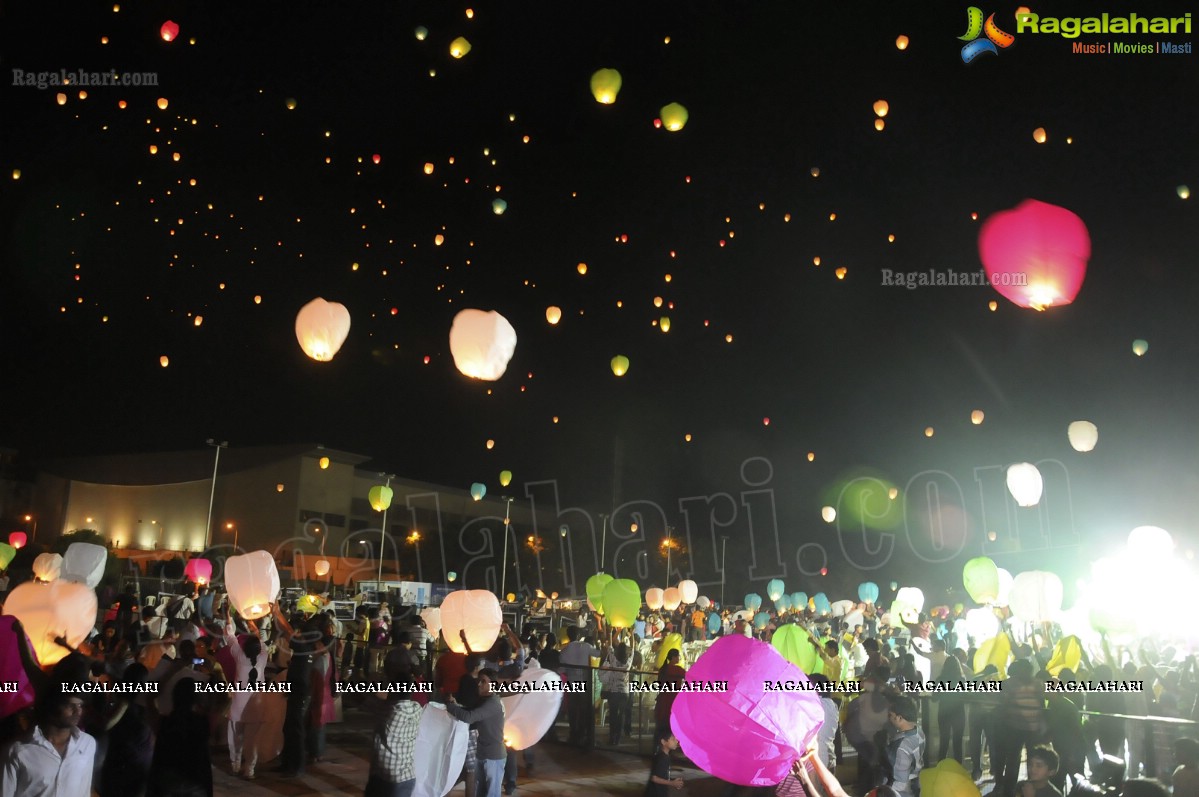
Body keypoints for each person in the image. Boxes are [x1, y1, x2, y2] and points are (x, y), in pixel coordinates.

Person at [1, 687, 95, 797]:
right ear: (53, 706)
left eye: (80, 705)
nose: (78, 711)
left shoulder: (87, 744)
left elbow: (84, 790)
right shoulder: (17, 750)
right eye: (70, 705)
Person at [148, 678, 214, 797]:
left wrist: (172, 671)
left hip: (168, 783)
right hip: (195, 782)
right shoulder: (203, 723)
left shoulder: (165, 722)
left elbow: (150, 698)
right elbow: (224, 701)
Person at [446, 669, 507, 797]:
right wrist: (454, 705)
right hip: (483, 752)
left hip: (493, 756)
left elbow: (469, 717)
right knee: (480, 791)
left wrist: (450, 707)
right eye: (479, 681)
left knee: (492, 793)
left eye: (483, 681)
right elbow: (469, 711)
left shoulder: (492, 703)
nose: (479, 684)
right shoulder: (485, 700)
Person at [223, 607, 267, 779]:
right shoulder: (263, 657)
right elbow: (260, 640)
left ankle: (235, 764)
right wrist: (252, 624)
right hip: (256, 706)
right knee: (253, 740)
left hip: (238, 705)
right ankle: (250, 769)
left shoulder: (240, 657)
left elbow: (230, 636)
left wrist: (227, 616)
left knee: (235, 738)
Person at [99, 663, 154, 797]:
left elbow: (107, 724)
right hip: (141, 760)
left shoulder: (124, 701)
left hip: (121, 759)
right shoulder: (149, 700)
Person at [364, 689, 422, 797]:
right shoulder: (417, 708)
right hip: (407, 776)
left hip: (385, 777)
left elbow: (368, 699)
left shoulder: (388, 710)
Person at [560, 626, 598, 750]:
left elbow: (563, 670)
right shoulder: (586, 647)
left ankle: (573, 733)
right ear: (578, 635)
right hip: (584, 682)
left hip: (572, 683)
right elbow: (599, 654)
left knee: (572, 710)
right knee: (583, 709)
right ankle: (582, 734)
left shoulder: (564, 651)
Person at [885, 695, 925, 797]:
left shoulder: (901, 746)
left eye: (890, 715)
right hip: (916, 783)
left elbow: (899, 782)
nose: (889, 718)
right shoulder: (918, 731)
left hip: (903, 791)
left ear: (899, 718)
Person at [600, 638, 634, 745]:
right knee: (621, 715)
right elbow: (633, 649)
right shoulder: (628, 663)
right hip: (624, 692)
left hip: (613, 692)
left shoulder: (613, 660)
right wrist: (632, 635)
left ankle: (612, 737)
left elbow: (610, 646)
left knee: (613, 715)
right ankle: (618, 738)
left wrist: (610, 634)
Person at [654, 648, 687, 743]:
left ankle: (657, 746)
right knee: (670, 726)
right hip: (672, 700)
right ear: (673, 657)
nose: (679, 658)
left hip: (662, 699)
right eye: (678, 656)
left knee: (660, 726)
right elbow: (687, 676)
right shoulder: (677, 670)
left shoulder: (663, 669)